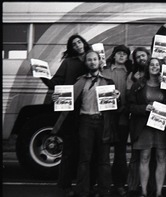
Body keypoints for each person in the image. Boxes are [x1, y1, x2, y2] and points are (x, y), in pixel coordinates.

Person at [52, 50, 120, 197]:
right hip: (85, 122)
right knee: (84, 159)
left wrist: (117, 97)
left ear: (99, 61)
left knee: (104, 159)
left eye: (95, 59)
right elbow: (67, 100)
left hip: (102, 123)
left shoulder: (108, 82)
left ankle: (104, 190)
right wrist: (57, 97)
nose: (92, 62)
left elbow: (115, 107)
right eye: (89, 60)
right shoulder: (80, 81)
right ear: (86, 63)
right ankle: (83, 190)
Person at [43, 34, 91, 197]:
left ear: (84, 43)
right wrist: (43, 76)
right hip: (71, 111)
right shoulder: (68, 63)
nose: (77, 45)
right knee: (69, 150)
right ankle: (65, 185)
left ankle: (85, 185)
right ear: (71, 48)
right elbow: (55, 82)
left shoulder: (93, 59)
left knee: (86, 151)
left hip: (90, 110)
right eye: (74, 44)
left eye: (79, 42)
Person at [128, 57, 166, 197]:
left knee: (161, 158)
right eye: (151, 64)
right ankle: (144, 192)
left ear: (161, 67)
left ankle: (158, 192)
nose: (154, 67)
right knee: (144, 157)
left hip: (161, 127)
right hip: (143, 127)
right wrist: (143, 108)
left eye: (157, 65)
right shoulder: (139, 84)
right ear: (147, 67)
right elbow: (130, 106)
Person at [126, 46, 157, 197]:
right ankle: (132, 187)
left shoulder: (160, 80)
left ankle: (151, 188)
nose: (141, 59)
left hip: (157, 125)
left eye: (143, 56)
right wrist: (144, 108)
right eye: (137, 57)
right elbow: (129, 103)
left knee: (153, 158)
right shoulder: (134, 78)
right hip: (139, 124)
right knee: (136, 157)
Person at [102, 45, 132, 196]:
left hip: (123, 117)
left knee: (120, 154)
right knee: (103, 153)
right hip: (105, 117)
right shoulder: (104, 70)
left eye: (124, 54)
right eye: (119, 53)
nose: (121, 56)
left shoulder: (130, 73)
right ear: (113, 55)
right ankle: (103, 184)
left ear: (127, 58)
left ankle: (120, 184)